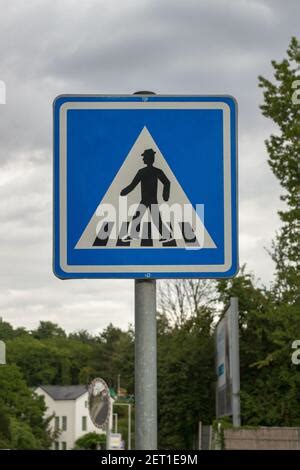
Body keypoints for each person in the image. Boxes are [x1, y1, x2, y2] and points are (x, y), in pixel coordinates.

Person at [120, 148, 172, 242]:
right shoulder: (156, 171)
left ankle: (166, 235)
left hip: (148, 199)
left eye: (144, 157)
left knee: (145, 218)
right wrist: (165, 195)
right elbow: (167, 183)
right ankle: (135, 234)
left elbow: (132, 185)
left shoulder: (143, 171)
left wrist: (124, 192)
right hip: (149, 199)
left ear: (148, 158)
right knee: (141, 217)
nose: (143, 159)